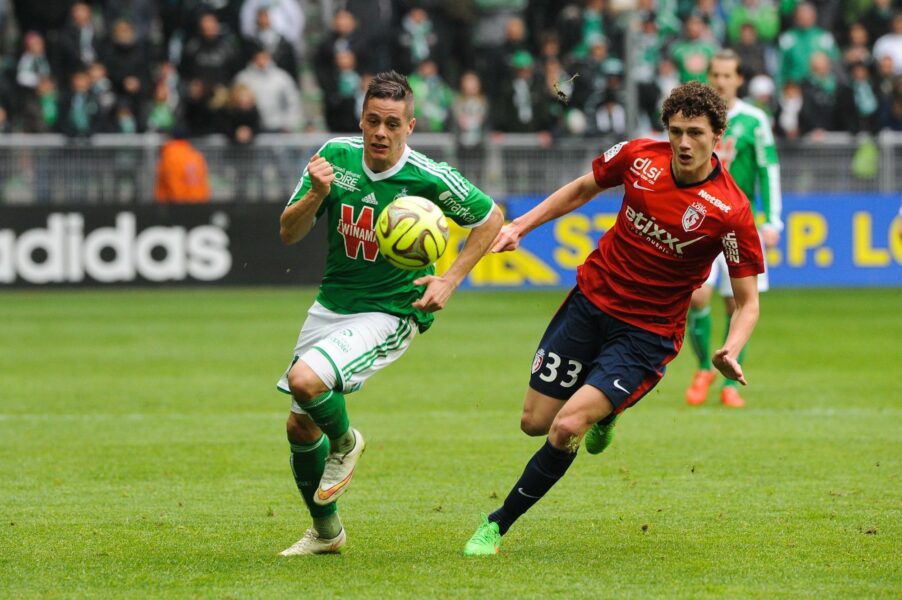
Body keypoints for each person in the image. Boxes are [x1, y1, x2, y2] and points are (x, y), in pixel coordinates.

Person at [462, 81, 764, 556]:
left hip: (646, 334)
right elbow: (583, 187)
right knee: (534, 423)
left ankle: (496, 525)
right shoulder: (640, 157)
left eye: (696, 134)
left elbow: (748, 300)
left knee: (565, 427)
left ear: (717, 137)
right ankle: (609, 413)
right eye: (677, 131)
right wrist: (520, 224)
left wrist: (731, 346)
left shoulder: (731, 212)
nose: (684, 143)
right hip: (591, 302)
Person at [277, 71, 503, 556]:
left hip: (391, 310)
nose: (381, 132)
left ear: (411, 126)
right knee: (299, 427)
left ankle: (346, 443)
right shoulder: (334, 159)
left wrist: (450, 278)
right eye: (373, 121)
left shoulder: (428, 177)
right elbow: (288, 233)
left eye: (393, 124)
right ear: (361, 120)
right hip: (331, 305)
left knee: (305, 382)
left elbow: (490, 218)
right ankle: (325, 533)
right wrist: (317, 194)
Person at [685, 49, 783, 408]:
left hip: (740, 226)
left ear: (739, 79)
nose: (721, 81)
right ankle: (701, 368)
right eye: (716, 74)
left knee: (738, 304)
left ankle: (730, 383)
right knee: (696, 296)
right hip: (700, 222)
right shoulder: (696, 119)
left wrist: (773, 219)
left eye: (728, 75)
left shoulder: (754, 121)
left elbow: (767, 171)